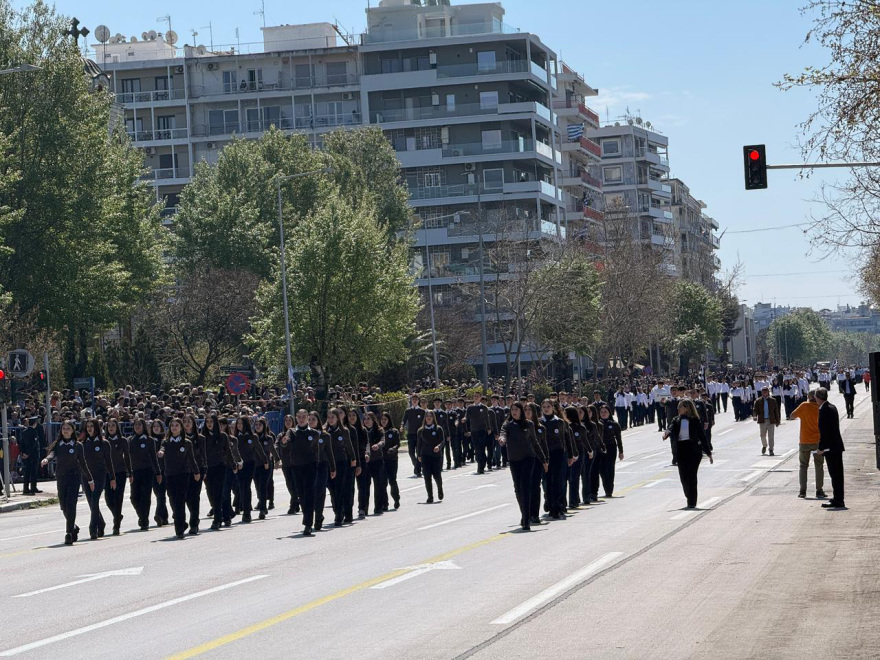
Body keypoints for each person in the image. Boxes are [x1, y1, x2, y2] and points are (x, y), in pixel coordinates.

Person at [42, 420, 93, 545]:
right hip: (61, 478)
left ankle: (69, 533)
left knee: (71, 505)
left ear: (72, 430)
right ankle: (73, 526)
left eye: (68, 428)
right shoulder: (58, 444)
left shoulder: (77, 446)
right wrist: (46, 459)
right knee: (63, 506)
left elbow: (83, 463)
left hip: (74, 478)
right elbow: (52, 454)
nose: (65, 430)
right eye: (64, 428)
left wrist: (90, 479)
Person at [499, 402, 546, 531]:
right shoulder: (507, 425)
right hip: (514, 460)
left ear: (521, 411)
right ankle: (524, 514)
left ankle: (526, 520)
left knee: (525, 487)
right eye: (512, 409)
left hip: (528, 458)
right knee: (518, 489)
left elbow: (535, 443)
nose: (514, 412)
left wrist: (544, 459)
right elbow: (502, 433)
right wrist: (502, 439)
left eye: (516, 409)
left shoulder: (529, 424)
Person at [664, 399, 713, 508]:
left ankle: (692, 502)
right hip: (681, 449)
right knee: (683, 477)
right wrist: (666, 433)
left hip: (693, 450)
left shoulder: (695, 420)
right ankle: (688, 495)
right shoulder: (676, 420)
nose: (678, 409)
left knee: (692, 476)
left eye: (680, 406)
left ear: (687, 408)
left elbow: (702, 436)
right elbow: (670, 428)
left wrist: (708, 453)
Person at [157, 417, 200, 539]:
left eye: (176, 425)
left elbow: (191, 459)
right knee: (172, 500)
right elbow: (162, 449)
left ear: (181, 428)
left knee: (180, 501)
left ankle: (179, 529)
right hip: (170, 474)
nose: (174, 427)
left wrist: (196, 472)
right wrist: (161, 452)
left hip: (183, 474)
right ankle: (182, 522)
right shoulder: (166, 442)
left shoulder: (186, 442)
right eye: (172, 426)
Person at [81, 419, 116, 540]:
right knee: (91, 503)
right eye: (88, 426)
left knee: (95, 500)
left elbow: (108, 461)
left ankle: (93, 528)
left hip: (100, 476)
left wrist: (112, 477)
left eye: (92, 426)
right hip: (86, 477)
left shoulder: (104, 443)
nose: (90, 428)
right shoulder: (82, 443)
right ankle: (101, 523)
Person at [790, 391, 826, 500]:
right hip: (817, 442)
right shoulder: (821, 407)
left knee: (803, 466)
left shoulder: (804, 406)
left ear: (808, 397)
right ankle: (819, 490)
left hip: (805, 441)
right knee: (819, 466)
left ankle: (802, 491)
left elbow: (792, 416)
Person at [815, 388, 846, 508]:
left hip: (830, 448)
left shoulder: (824, 410)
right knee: (837, 475)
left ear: (818, 397)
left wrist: (821, 447)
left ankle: (839, 499)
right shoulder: (832, 407)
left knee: (835, 474)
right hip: (836, 446)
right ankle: (838, 497)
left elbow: (825, 431)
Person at [127, 418, 160, 531]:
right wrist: (129, 472)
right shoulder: (130, 440)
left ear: (144, 426)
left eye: (139, 424)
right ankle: (141, 515)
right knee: (134, 497)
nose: (137, 426)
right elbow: (127, 457)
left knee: (146, 496)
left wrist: (158, 472)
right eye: (135, 424)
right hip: (135, 472)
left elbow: (154, 457)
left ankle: (144, 520)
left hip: (147, 471)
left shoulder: (149, 440)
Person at [326, 408, 356, 526]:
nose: (330, 419)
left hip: (341, 463)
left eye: (333, 417)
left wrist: (354, 460)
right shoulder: (325, 431)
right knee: (332, 490)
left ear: (338, 418)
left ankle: (339, 515)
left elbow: (349, 446)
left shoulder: (344, 431)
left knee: (341, 489)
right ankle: (337, 510)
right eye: (328, 417)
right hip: (329, 464)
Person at [104, 418, 131, 535]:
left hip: (120, 472)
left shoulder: (123, 440)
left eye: (113, 425)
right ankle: (117, 515)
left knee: (118, 498)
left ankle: (116, 526)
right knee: (108, 499)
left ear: (117, 427)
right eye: (109, 425)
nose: (111, 427)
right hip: (107, 472)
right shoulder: (104, 441)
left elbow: (127, 457)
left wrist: (130, 472)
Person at [310, 410, 336, 530]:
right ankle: (310, 516)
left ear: (318, 421)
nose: (310, 422)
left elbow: (330, 453)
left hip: (321, 467)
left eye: (313, 419)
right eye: (309, 420)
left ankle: (318, 516)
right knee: (309, 494)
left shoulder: (325, 435)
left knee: (320, 493)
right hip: (307, 468)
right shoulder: (302, 434)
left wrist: (333, 468)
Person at [416, 410, 445, 503]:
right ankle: (430, 496)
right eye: (427, 416)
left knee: (437, 476)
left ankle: (440, 489)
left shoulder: (438, 429)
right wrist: (419, 455)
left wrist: (438, 447)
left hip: (436, 456)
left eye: (430, 416)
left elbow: (442, 441)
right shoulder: (421, 430)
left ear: (433, 418)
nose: (428, 418)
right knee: (427, 477)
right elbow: (419, 444)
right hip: (425, 456)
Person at [597, 405, 623, 498]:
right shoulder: (597, 424)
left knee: (610, 468)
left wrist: (621, 451)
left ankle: (609, 490)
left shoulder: (614, 424)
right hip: (600, 449)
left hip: (611, 448)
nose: (603, 414)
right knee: (602, 469)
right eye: (602, 412)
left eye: (605, 412)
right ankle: (605, 487)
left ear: (609, 413)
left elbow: (619, 439)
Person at [363, 411, 386, 515]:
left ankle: (378, 507)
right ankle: (364, 509)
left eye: (369, 419)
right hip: (366, 462)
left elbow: (383, 440)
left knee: (379, 484)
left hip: (377, 461)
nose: (366, 421)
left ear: (373, 420)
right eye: (365, 419)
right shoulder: (362, 431)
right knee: (365, 486)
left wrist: (378, 445)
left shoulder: (379, 430)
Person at [379, 412, 400, 510]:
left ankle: (396, 499)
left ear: (389, 420)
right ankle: (385, 503)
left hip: (392, 460)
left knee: (392, 480)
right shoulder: (378, 431)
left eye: (385, 419)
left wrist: (393, 449)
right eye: (382, 419)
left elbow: (397, 444)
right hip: (381, 460)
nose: (383, 421)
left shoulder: (394, 431)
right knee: (382, 483)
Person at [150, 420, 169, 527]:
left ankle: (158, 514)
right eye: (154, 426)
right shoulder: (150, 440)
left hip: (164, 470)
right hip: (153, 471)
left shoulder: (165, 440)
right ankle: (164, 517)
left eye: (158, 426)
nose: (156, 428)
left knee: (161, 494)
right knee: (158, 494)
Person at [752, 387, 781, 456]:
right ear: (761, 392)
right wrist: (754, 416)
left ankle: (771, 449)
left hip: (770, 420)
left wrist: (777, 421)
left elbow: (776, 411)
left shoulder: (773, 400)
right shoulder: (758, 401)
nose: (764, 392)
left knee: (771, 436)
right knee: (762, 435)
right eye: (763, 391)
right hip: (762, 420)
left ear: (768, 392)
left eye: (766, 391)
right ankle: (764, 445)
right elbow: (755, 410)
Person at [401, 395, 425, 477]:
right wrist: (402, 426)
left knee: (418, 453)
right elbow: (404, 420)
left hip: (419, 435)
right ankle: (417, 467)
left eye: (416, 399)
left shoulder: (422, 411)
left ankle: (417, 469)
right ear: (411, 401)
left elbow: (424, 422)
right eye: (413, 399)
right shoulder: (408, 411)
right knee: (411, 452)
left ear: (418, 401)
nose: (414, 401)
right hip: (410, 434)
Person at [19, 416, 41, 495]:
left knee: (27, 471)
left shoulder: (24, 431)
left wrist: (23, 453)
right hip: (33, 454)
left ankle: (25, 488)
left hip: (25, 454)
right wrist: (28, 453)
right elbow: (33, 444)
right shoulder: (34, 432)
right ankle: (33, 488)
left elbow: (21, 443)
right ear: (35, 423)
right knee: (33, 471)